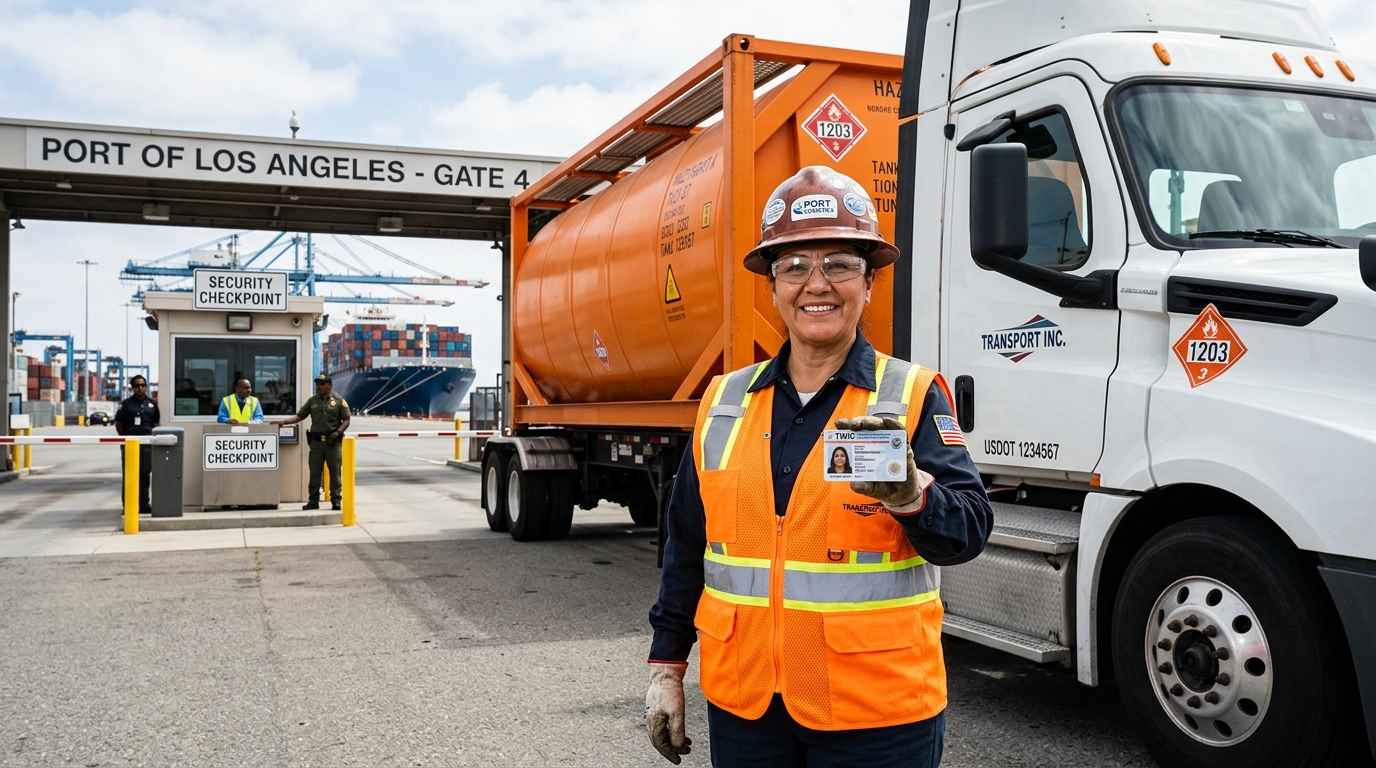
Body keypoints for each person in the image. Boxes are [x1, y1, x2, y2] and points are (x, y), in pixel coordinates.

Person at [645, 166, 993, 767]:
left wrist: (913, 497)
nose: (817, 284)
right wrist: (667, 667)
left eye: (839, 264)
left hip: (877, 714)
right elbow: (686, 548)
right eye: (794, 266)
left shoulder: (912, 395)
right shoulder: (724, 402)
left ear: (869, 282)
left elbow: (969, 531)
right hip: (747, 707)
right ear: (772, 286)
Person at [274, 373, 350, 511]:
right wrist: (285, 422)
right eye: (317, 384)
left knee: (335, 472)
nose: (319, 387)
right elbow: (300, 416)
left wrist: (338, 432)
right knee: (314, 472)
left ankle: (336, 500)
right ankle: (313, 500)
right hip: (316, 444)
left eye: (322, 384)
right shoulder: (312, 401)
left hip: (332, 443)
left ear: (330, 385)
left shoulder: (339, 400)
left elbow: (346, 420)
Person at [112, 374, 160, 515]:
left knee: (145, 473)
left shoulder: (152, 404)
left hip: (147, 444)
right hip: (130, 443)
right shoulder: (126, 405)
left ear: (146, 387)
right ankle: (128, 505)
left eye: (143, 385)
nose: (140, 388)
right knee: (129, 474)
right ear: (132, 388)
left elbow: (156, 423)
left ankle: (143, 504)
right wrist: (125, 438)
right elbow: (119, 424)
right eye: (137, 386)